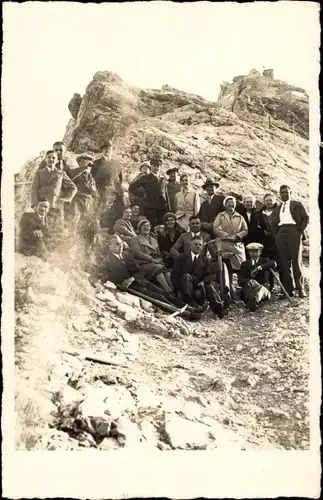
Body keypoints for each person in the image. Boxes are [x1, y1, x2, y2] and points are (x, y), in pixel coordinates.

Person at [89, 235, 202, 318]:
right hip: (130, 288)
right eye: (117, 244)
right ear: (110, 246)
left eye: (121, 243)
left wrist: (133, 278)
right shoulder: (107, 261)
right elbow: (93, 276)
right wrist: (96, 284)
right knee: (158, 298)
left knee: (164, 294)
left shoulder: (126, 255)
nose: (121, 245)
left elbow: (139, 270)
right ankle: (186, 314)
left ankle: (189, 308)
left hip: (139, 281)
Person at [171, 236, 228, 318]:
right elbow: (174, 276)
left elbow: (208, 275)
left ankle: (219, 309)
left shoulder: (204, 260)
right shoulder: (182, 257)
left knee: (209, 287)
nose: (198, 246)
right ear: (190, 246)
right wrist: (178, 290)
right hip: (184, 289)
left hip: (197, 288)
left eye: (200, 245)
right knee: (186, 276)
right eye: (195, 244)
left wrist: (203, 282)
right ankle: (192, 305)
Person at [271, 185, 309, 298]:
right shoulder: (277, 208)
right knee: (283, 263)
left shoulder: (297, 204)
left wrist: (299, 231)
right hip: (281, 233)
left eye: (286, 192)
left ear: (290, 192)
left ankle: (300, 288)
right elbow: (273, 223)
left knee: (296, 262)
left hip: (294, 231)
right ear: (279, 194)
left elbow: (306, 218)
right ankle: (288, 290)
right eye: (282, 192)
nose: (284, 194)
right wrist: (277, 236)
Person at [130, 219, 173, 293]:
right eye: (143, 226)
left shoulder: (154, 240)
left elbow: (158, 253)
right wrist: (151, 259)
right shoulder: (136, 239)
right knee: (158, 269)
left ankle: (172, 288)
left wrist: (160, 260)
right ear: (140, 228)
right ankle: (168, 290)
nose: (146, 227)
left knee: (166, 271)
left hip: (154, 262)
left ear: (150, 227)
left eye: (147, 226)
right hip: (142, 263)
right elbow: (137, 253)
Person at [213, 196, 248, 283]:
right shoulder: (220, 216)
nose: (230, 204)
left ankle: (241, 288)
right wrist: (227, 236)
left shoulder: (240, 217)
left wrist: (237, 236)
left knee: (241, 267)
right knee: (227, 268)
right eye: (228, 203)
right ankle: (227, 288)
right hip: (225, 244)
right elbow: (216, 228)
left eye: (232, 203)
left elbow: (245, 230)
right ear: (225, 204)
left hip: (237, 245)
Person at [238, 242, 277, 312]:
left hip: (264, 291)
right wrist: (251, 281)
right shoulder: (245, 264)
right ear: (248, 253)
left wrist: (259, 268)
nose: (254, 254)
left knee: (261, 288)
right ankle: (252, 302)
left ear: (260, 252)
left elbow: (274, 263)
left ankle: (251, 303)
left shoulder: (265, 261)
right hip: (249, 290)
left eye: (256, 251)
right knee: (251, 283)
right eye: (251, 252)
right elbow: (240, 280)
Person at [129, 161, 167, 227]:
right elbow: (132, 187)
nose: (156, 168)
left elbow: (164, 191)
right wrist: (142, 194)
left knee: (162, 225)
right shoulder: (146, 177)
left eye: (158, 166)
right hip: (150, 206)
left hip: (161, 206)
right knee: (152, 225)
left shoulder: (162, 178)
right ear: (151, 167)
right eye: (154, 166)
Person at [258, 193, 278, 291]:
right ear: (264, 202)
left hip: (276, 241)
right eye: (267, 200)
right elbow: (258, 226)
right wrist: (263, 231)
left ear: (274, 201)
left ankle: (284, 287)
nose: (269, 202)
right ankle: (269, 285)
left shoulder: (278, 211)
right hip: (265, 241)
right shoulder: (261, 213)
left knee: (277, 263)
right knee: (266, 262)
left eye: (270, 200)